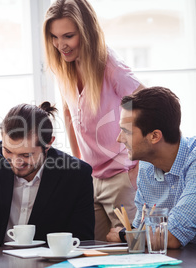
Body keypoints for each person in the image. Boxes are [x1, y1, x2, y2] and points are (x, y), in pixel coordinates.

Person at [43, 0, 145, 240]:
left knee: (130, 254)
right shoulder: (64, 64)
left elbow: (145, 105)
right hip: (91, 178)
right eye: (54, 37)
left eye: (68, 36)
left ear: (86, 32)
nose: (60, 45)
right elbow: (68, 113)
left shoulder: (110, 66)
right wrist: (80, 165)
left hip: (121, 178)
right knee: (92, 252)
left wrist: (138, 167)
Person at [0, 102, 95, 244]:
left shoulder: (77, 175)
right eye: (8, 151)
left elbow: (82, 240)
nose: (16, 162)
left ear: (48, 144)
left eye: (26, 155)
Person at [107, 86, 196, 248]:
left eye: (126, 131)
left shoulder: (194, 161)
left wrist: (124, 236)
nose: (119, 139)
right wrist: (134, 234)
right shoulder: (147, 166)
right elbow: (141, 228)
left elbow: (171, 236)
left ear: (154, 136)